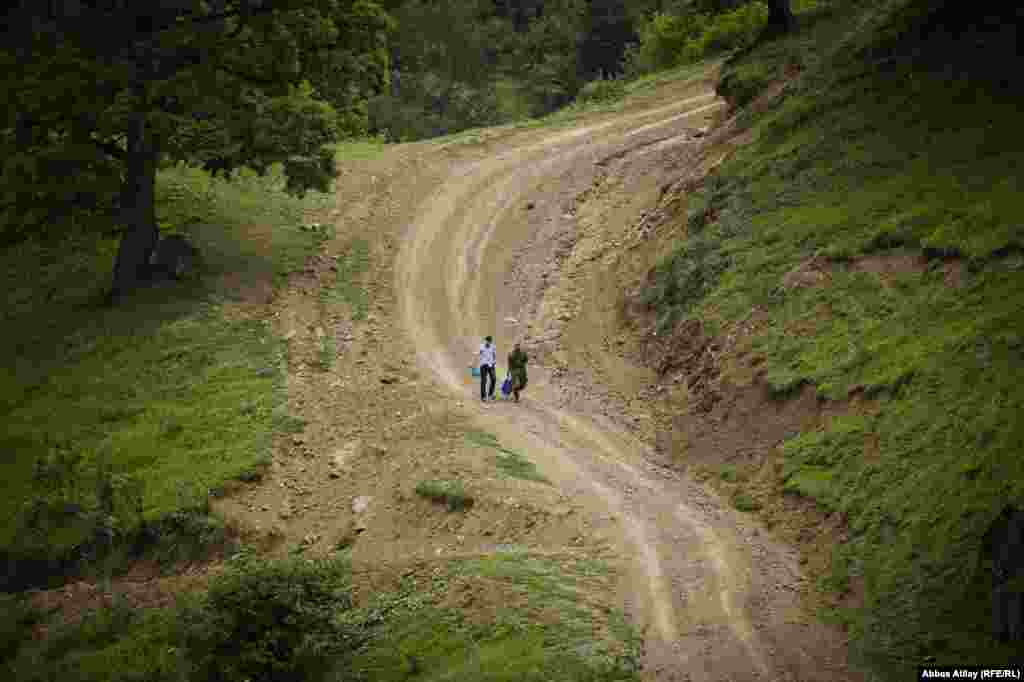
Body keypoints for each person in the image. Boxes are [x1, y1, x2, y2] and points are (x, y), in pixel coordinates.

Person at [477, 335, 497, 401]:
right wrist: (472, 363)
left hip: (491, 365)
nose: (488, 342)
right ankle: (483, 396)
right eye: (487, 341)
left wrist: (494, 362)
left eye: (489, 341)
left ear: (491, 341)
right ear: (485, 341)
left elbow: (494, 355)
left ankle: (490, 394)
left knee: (494, 379)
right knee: (484, 381)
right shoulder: (482, 346)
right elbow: (479, 354)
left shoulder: (493, 347)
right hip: (483, 365)